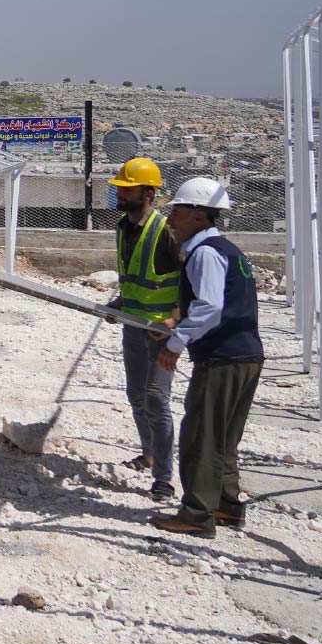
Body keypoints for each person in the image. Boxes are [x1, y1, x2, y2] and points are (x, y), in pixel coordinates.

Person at [149, 178, 265, 538]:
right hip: (245, 355)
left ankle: (197, 514)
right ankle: (225, 505)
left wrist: (174, 344)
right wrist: (174, 323)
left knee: (201, 435)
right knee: (224, 436)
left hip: (222, 359)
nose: (171, 220)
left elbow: (210, 308)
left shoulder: (205, 253)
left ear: (199, 216)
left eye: (178, 213)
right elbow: (217, 303)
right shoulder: (227, 249)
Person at [105, 157, 183, 501]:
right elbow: (136, 277)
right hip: (132, 325)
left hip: (160, 332)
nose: (120, 193)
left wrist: (176, 320)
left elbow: (189, 280)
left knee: (156, 399)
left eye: (127, 188)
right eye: (119, 188)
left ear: (148, 193)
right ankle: (149, 453)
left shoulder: (164, 231)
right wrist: (121, 303)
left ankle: (164, 478)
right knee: (136, 394)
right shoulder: (124, 227)